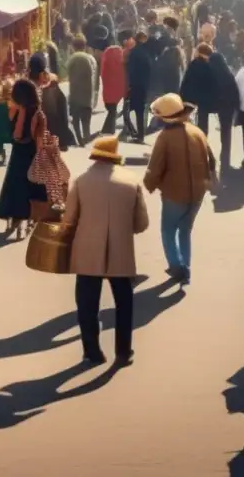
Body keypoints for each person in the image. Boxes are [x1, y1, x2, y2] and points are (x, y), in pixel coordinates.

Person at [65, 136, 150, 365]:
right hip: (121, 250)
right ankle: (123, 352)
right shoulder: (131, 182)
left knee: (87, 303)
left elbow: (69, 218)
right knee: (124, 303)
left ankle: (92, 351)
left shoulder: (82, 181)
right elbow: (141, 224)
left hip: (87, 250)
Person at [144, 94, 216, 285]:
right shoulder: (197, 132)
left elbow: (155, 168)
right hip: (198, 193)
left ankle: (178, 267)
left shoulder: (165, 137)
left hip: (174, 194)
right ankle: (186, 267)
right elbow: (211, 160)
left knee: (168, 230)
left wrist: (148, 184)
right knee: (185, 231)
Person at [0, 79, 48, 239]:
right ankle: (24, 222)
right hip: (30, 153)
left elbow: (17, 135)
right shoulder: (36, 112)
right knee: (29, 189)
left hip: (21, 153)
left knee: (16, 187)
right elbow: (33, 138)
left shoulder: (22, 111)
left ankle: (15, 221)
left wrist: (21, 111)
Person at [29, 52, 76, 151]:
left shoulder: (46, 88)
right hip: (48, 140)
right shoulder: (49, 86)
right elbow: (61, 113)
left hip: (45, 140)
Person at [208, 52, 240, 175]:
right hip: (229, 107)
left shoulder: (212, 74)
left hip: (219, 106)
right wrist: (237, 107)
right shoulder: (228, 73)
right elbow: (235, 90)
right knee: (226, 134)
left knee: (223, 131)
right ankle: (225, 159)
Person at [66, 34, 97, 147]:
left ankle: (80, 140)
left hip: (75, 95)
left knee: (75, 120)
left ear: (74, 46)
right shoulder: (92, 59)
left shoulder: (73, 58)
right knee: (86, 121)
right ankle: (86, 137)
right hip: (88, 96)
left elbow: (66, 73)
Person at [180, 43, 216, 134]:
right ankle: (202, 142)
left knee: (184, 120)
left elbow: (186, 80)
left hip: (189, 98)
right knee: (203, 124)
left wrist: (181, 94)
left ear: (199, 52)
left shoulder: (194, 64)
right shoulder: (210, 66)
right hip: (204, 99)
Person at [124, 30, 152, 143]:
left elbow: (131, 70)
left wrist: (129, 85)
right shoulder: (147, 52)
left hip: (135, 85)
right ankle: (141, 133)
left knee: (130, 110)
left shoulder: (134, 52)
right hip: (145, 85)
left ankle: (135, 132)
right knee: (141, 110)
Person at [100, 40, 126, 135]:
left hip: (108, 89)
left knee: (111, 109)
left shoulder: (107, 56)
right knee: (113, 110)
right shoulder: (120, 58)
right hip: (118, 89)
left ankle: (108, 130)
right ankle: (108, 130)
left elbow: (103, 73)